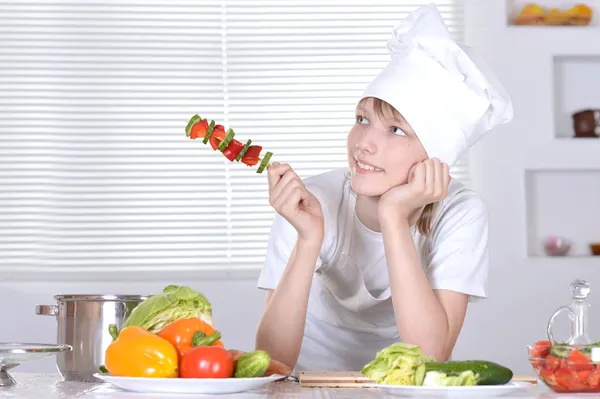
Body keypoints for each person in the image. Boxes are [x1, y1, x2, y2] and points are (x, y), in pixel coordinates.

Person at [254, 4, 513, 373]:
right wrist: (308, 239)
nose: (363, 144)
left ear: (434, 156)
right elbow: (271, 362)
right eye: (362, 119)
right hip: (304, 385)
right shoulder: (309, 202)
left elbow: (431, 356)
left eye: (395, 130)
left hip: (405, 388)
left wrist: (394, 217)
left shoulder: (460, 211)